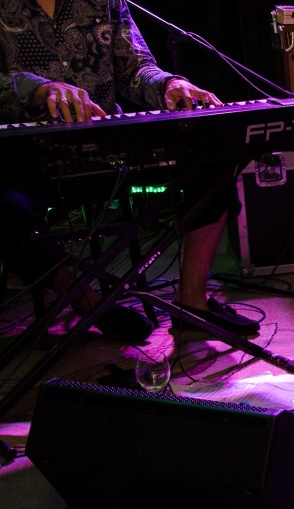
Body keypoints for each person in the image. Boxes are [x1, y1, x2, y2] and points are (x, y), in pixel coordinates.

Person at [0, 0, 259, 342]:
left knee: (214, 151)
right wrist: (36, 89)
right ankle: (88, 302)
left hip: (109, 149)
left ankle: (192, 299)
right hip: (27, 155)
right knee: (4, 210)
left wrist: (167, 84)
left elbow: (135, 68)